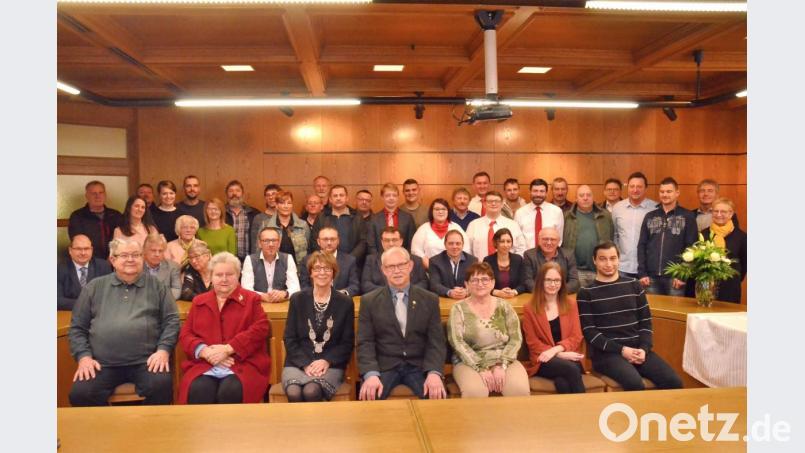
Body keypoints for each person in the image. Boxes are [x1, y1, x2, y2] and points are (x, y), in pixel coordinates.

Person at [68, 237, 179, 406]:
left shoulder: (157, 286)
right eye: (124, 255)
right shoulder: (94, 287)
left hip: (146, 361)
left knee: (161, 386)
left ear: (142, 258)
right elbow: (77, 328)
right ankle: (107, 431)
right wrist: (84, 357)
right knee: (80, 394)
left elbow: (171, 320)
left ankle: (148, 430)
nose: (130, 259)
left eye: (136, 255)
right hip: (101, 363)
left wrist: (163, 350)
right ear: (113, 259)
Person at [577, 241, 682, 391]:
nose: (608, 263)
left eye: (613, 258)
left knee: (674, 382)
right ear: (594, 260)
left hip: (638, 350)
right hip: (607, 354)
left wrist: (644, 349)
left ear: (619, 259)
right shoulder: (586, 293)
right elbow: (590, 333)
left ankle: (655, 414)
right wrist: (622, 350)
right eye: (602, 259)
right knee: (635, 383)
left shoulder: (634, 285)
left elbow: (645, 322)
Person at [178, 252, 270, 404]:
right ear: (211, 277)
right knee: (198, 390)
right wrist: (205, 352)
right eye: (219, 275)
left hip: (242, 364)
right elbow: (186, 334)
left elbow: (260, 329)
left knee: (229, 392)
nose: (224, 279)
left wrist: (228, 349)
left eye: (229, 274)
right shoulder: (199, 301)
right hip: (205, 364)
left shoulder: (251, 299)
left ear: (238, 275)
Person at [358, 246, 447, 400]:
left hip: (419, 366)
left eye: (401, 265)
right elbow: (365, 342)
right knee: (369, 398)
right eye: (391, 267)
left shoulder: (429, 299)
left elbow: (436, 342)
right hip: (385, 366)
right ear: (383, 270)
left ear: (410, 266)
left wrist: (433, 373)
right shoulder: (369, 301)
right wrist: (371, 374)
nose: (397, 271)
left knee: (437, 399)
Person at [447, 262, 529, 398]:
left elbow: (516, 339)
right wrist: (480, 368)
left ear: (492, 283)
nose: (480, 284)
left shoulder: (505, 306)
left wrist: (501, 366)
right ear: (466, 284)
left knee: (518, 390)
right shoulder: (458, 309)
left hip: (504, 359)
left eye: (485, 279)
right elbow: (457, 343)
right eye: (474, 280)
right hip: (468, 361)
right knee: (475, 392)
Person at [283, 252, 355, 402]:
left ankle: (317, 425)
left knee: (311, 391)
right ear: (310, 273)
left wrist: (326, 361)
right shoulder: (297, 299)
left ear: (333, 273)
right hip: (298, 362)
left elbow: (347, 342)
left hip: (330, 364)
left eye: (327, 269)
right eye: (317, 268)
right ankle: (299, 426)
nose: (322, 272)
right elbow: (289, 338)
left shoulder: (345, 302)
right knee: (294, 392)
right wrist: (305, 365)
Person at [522, 262, 586, 394]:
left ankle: (570, 414)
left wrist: (556, 350)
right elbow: (533, 343)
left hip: (570, 355)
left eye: (557, 280)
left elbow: (576, 336)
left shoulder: (571, 304)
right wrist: (559, 355)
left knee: (562, 382)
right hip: (543, 360)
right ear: (540, 281)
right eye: (548, 280)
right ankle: (584, 410)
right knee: (571, 370)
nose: (553, 284)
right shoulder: (529, 308)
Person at [637, 177, 698, 296]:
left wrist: (682, 275)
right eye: (662, 191)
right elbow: (642, 245)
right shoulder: (650, 216)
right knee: (653, 313)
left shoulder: (688, 216)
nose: (665, 194)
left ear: (677, 193)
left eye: (669, 191)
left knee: (674, 313)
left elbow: (691, 248)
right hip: (650, 278)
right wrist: (642, 273)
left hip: (675, 279)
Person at [562, 184, 614, 288]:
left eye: (588, 195)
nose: (585, 198)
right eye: (581, 195)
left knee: (599, 302)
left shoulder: (605, 215)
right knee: (577, 302)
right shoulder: (567, 216)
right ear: (576, 198)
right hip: (575, 272)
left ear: (593, 197)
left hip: (599, 270)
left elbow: (611, 237)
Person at [309, 185, 368, 268]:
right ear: (330, 199)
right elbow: (315, 240)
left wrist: (350, 259)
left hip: (352, 264)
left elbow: (363, 242)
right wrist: (327, 258)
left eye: (341, 195)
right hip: (326, 264)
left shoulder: (357, 217)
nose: (338, 198)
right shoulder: (322, 217)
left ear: (347, 198)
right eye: (335, 196)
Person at [701, 197, 747, 303]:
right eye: (716, 211)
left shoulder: (741, 237)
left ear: (731, 214)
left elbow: (744, 264)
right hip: (705, 284)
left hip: (730, 286)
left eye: (723, 211)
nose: (719, 214)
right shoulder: (704, 234)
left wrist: (733, 277)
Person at [611, 171, 656, 279]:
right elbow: (615, 235)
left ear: (646, 188)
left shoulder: (655, 208)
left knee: (647, 297)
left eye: (639, 187)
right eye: (632, 186)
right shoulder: (617, 208)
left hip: (647, 269)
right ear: (628, 188)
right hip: (622, 267)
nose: (635, 190)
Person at [241, 227, 301, 303]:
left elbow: (296, 287)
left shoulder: (288, 258)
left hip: (281, 305)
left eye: (274, 240)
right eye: (266, 241)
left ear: (279, 243)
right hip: (258, 304)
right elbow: (246, 289)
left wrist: (284, 294)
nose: (271, 244)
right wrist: (262, 296)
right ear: (259, 243)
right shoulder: (250, 260)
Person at [362, 227, 428, 294]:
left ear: (401, 241)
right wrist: (391, 292)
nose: (391, 244)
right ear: (382, 242)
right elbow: (366, 285)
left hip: (410, 298)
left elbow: (424, 283)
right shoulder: (371, 260)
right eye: (387, 240)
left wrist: (405, 291)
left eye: (394, 240)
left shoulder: (416, 260)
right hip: (381, 299)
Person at [68, 180, 123, 260]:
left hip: (114, 260)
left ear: (105, 195)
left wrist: (113, 254)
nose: (98, 196)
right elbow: (78, 242)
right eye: (93, 193)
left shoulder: (116, 215)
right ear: (86, 196)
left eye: (101, 193)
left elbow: (122, 239)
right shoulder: (77, 216)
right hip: (89, 261)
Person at [466, 191, 527, 261]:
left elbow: (521, 248)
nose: (493, 203)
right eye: (490, 201)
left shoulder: (513, 225)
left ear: (502, 204)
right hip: (480, 269)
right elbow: (468, 250)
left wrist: (512, 264)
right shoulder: (473, 225)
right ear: (484, 204)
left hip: (506, 269)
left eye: (497, 201)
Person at [299, 227, 361, 296]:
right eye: (325, 239)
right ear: (318, 242)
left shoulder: (349, 260)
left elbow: (355, 286)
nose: (329, 243)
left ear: (338, 241)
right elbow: (304, 286)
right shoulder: (307, 260)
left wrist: (340, 294)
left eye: (332, 239)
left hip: (341, 301)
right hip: (315, 301)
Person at [57, 234, 112, 310]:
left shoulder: (103, 266)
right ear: (70, 250)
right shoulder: (59, 269)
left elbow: (110, 295)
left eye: (86, 249)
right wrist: (87, 304)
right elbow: (58, 300)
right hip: (70, 314)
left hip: (98, 314)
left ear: (91, 250)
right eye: (78, 249)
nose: (83, 253)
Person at [411, 198, 468, 269]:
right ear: (431, 212)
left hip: (454, 270)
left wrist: (454, 267)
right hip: (429, 271)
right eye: (437, 209)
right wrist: (431, 267)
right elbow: (416, 251)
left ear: (448, 211)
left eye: (443, 209)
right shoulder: (423, 229)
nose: (440, 212)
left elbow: (466, 249)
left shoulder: (456, 228)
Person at [522, 227, 580, 294]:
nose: (549, 242)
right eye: (545, 239)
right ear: (539, 240)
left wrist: (556, 292)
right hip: (538, 296)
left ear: (558, 242)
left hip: (561, 296)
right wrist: (546, 292)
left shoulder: (568, 255)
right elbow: (528, 281)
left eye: (553, 239)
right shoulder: (529, 255)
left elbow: (574, 281)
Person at [264, 191, 310, 270]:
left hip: (298, 270)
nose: (286, 206)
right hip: (274, 269)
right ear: (277, 205)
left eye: (289, 203)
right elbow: (260, 250)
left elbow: (309, 250)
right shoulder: (266, 225)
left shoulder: (302, 225)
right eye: (282, 203)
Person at [367, 183, 416, 255]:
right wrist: (379, 261)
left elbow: (412, 242)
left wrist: (405, 259)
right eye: (387, 195)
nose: (391, 198)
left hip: (403, 260)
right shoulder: (374, 219)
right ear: (382, 197)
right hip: (381, 261)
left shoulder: (408, 218)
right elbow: (371, 245)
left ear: (398, 197)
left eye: (394, 195)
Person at [515, 178, 565, 250]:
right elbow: (517, 239)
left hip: (550, 256)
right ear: (530, 192)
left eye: (542, 191)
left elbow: (559, 238)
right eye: (535, 191)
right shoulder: (520, 213)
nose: (538, 194)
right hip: (526, 257)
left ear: (546, 193)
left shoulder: (557, 211)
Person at [429, 230, 478, 299]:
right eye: (451, 243)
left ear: (462, 245)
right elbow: (434, 285)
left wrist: (467, 291)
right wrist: (449, 292)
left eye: (458, 243)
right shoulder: (434, 261)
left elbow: (477, 282)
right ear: (445, 244)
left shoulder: (473, 261)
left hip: (467, 300)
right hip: (444, 300)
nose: (454, 247)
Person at [483, 228, 525, 298]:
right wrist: (496, 292)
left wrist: (514, 291)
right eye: (502, 241)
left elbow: (524, 283)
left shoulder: (518, 259)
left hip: (514, 299)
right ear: (496, 243)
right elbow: (483, 283)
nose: (506, 245)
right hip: (493, 299)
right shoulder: (488, 260)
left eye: (508, 241)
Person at [224, 180, 259, 261]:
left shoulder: (254, 213)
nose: (234, 194)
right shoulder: (220, 213)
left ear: (242, 193)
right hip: (228, 259)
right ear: (226, 194)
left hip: (249, 258)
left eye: (237, 191)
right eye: (231, 191)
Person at [143, 234, 181, 300]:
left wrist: (158, 300)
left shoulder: (173, 267)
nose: (157, 254)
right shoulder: (136, 266)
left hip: (164, 306)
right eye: (153, 250)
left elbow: (176, 290)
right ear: (144, 251)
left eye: (160, 251)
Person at [249, 184, 282, 254]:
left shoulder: (286, 217)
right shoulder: (258, 218)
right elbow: (255, 245)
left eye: (274, 194)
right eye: (268, 195)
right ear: (265, 198)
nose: (271, 197)